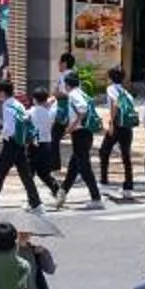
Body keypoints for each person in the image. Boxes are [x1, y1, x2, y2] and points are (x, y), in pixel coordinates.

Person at [0, 82, 48, 212]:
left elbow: (9, 129)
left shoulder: (7, 105)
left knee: (0, 174)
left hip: (10, 145)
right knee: (26, 175)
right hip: (20, 144)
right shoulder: (18, 104)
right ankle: (37, 204)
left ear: (2, 92)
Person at [51, 67, 106, 211]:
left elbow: (82, 110)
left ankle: (96, 198)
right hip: (85, 133)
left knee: (84, 167)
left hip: (80, 133)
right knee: (74, 165)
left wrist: (70, 128)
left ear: (67, 84)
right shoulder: (81, 92)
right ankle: (62, 192)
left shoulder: (74, 95)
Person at [98, 68, 139, 197]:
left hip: (117, 125)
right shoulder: (126, 92)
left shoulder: (111, 89)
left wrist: (111, 123)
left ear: (110, 78)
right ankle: (128, 185)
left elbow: (114, 104)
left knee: (104, 151)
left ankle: (104, 182)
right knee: (126, 155)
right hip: (127, 127)